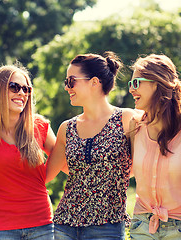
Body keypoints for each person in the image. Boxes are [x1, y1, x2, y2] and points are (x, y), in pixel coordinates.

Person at [46, 52, 136, 239]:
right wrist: (2, 186)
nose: (67, 87)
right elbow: (44, 176)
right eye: (66, 82)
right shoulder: (67, 128)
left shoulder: (127, 119)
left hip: (107, 226)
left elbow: (146, 164)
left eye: (71, 81)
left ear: (94, 82)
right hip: (65, 224)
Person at [0, 64, 56, 240]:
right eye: (14, 87)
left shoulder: (39, 126)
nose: (22, 93)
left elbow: (67, 163)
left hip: (42, 224)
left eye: (26, 89)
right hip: (0, 227)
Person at [128, 54, 181, 239]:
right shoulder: (135, 125)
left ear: (156, 83)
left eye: (136, 83)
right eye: (130, 84)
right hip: (142, 224)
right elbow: (129, 171)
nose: (131, 90)